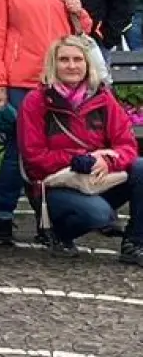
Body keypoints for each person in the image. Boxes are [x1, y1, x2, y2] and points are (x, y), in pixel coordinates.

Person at [0, 0, 90, 246]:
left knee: (55, 151)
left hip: (58, 80)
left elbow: (82, 31)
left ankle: (48, 217)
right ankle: (4, 216)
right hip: (21, 81)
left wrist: (79, 10)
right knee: (19, 150)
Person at [18, 37, 143, 262]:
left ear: (87, 64)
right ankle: (59, 233)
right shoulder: (36, 101)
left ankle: (134, 243)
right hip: (56, 183)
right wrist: (78, 158)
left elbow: (127, 145)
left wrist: (107, 161)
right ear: (53, 65)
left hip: (99, 176)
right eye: (64, 60)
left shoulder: (104, 99)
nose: (72, 65)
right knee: (99, 215)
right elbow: (33, 157)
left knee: (141, 168)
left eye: (78, 59)